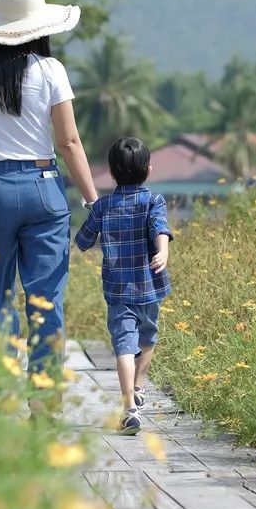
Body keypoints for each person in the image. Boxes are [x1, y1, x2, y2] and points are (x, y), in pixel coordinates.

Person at [0, 0, 98, 398]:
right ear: (41, 29)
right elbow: (69, 143)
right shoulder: (51, 71)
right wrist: (93, 199)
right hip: (43, 188)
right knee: (45, 298)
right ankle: (45, 398)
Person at [75, 137, 173, 436]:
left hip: (117, 290)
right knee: (149, 336)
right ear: (149, 170)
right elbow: (160, 227)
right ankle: (139, 385)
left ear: (112, 173)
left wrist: (92, 211)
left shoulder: (103, 206)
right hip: (150, 286)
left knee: (123, 345)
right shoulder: (154, 201)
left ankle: (129, 406)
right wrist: (162, 251)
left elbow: (82, 242)